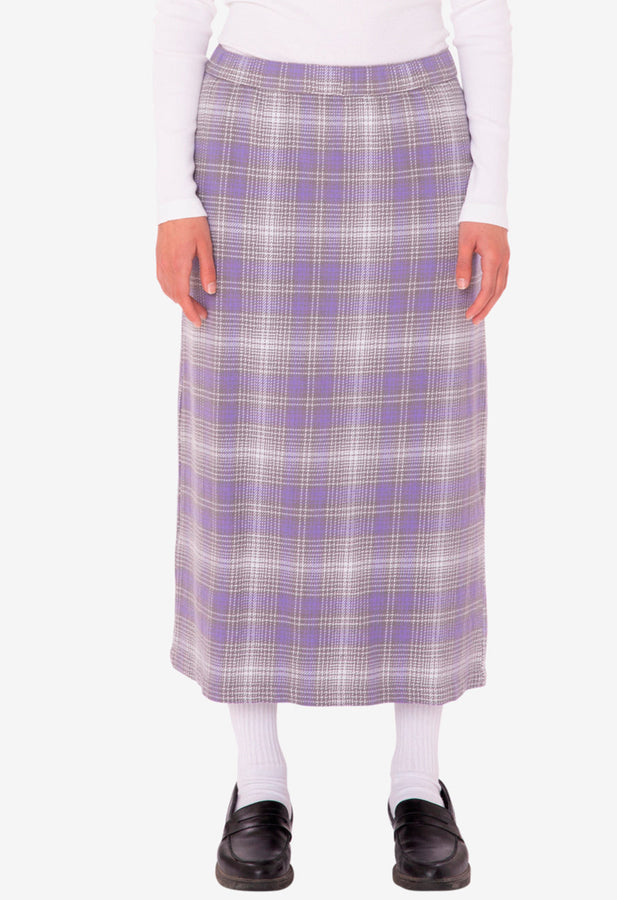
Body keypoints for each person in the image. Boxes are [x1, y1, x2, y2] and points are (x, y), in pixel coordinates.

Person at [152, 0, 512, 891]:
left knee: (425, 457)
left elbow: (482, 18)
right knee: (244, 452)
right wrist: (172, 197)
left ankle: (417, 782)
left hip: (416, 139)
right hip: (250, 139)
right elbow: (179, 16)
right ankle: (258, 784)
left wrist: (489, 199)